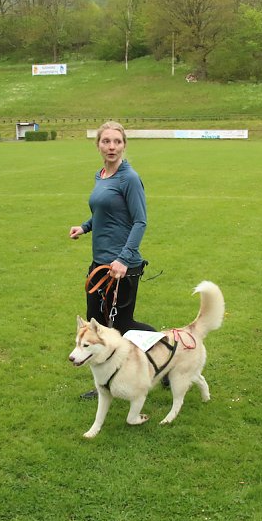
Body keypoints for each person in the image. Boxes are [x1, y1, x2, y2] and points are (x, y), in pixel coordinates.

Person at [69, 121, 156, 399]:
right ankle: (105, 384)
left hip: (122, 267)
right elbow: (103, 212)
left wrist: (122, 259)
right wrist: (84, 227)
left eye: (117, 141)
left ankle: (163, 347)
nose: (111, 146)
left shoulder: (129, 178)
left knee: (122, 326)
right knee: (97, 324)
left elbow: (140, 222)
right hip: (99, 265)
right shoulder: (102, 175)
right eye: (106, 141)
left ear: (124, 145)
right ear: (98, 145)